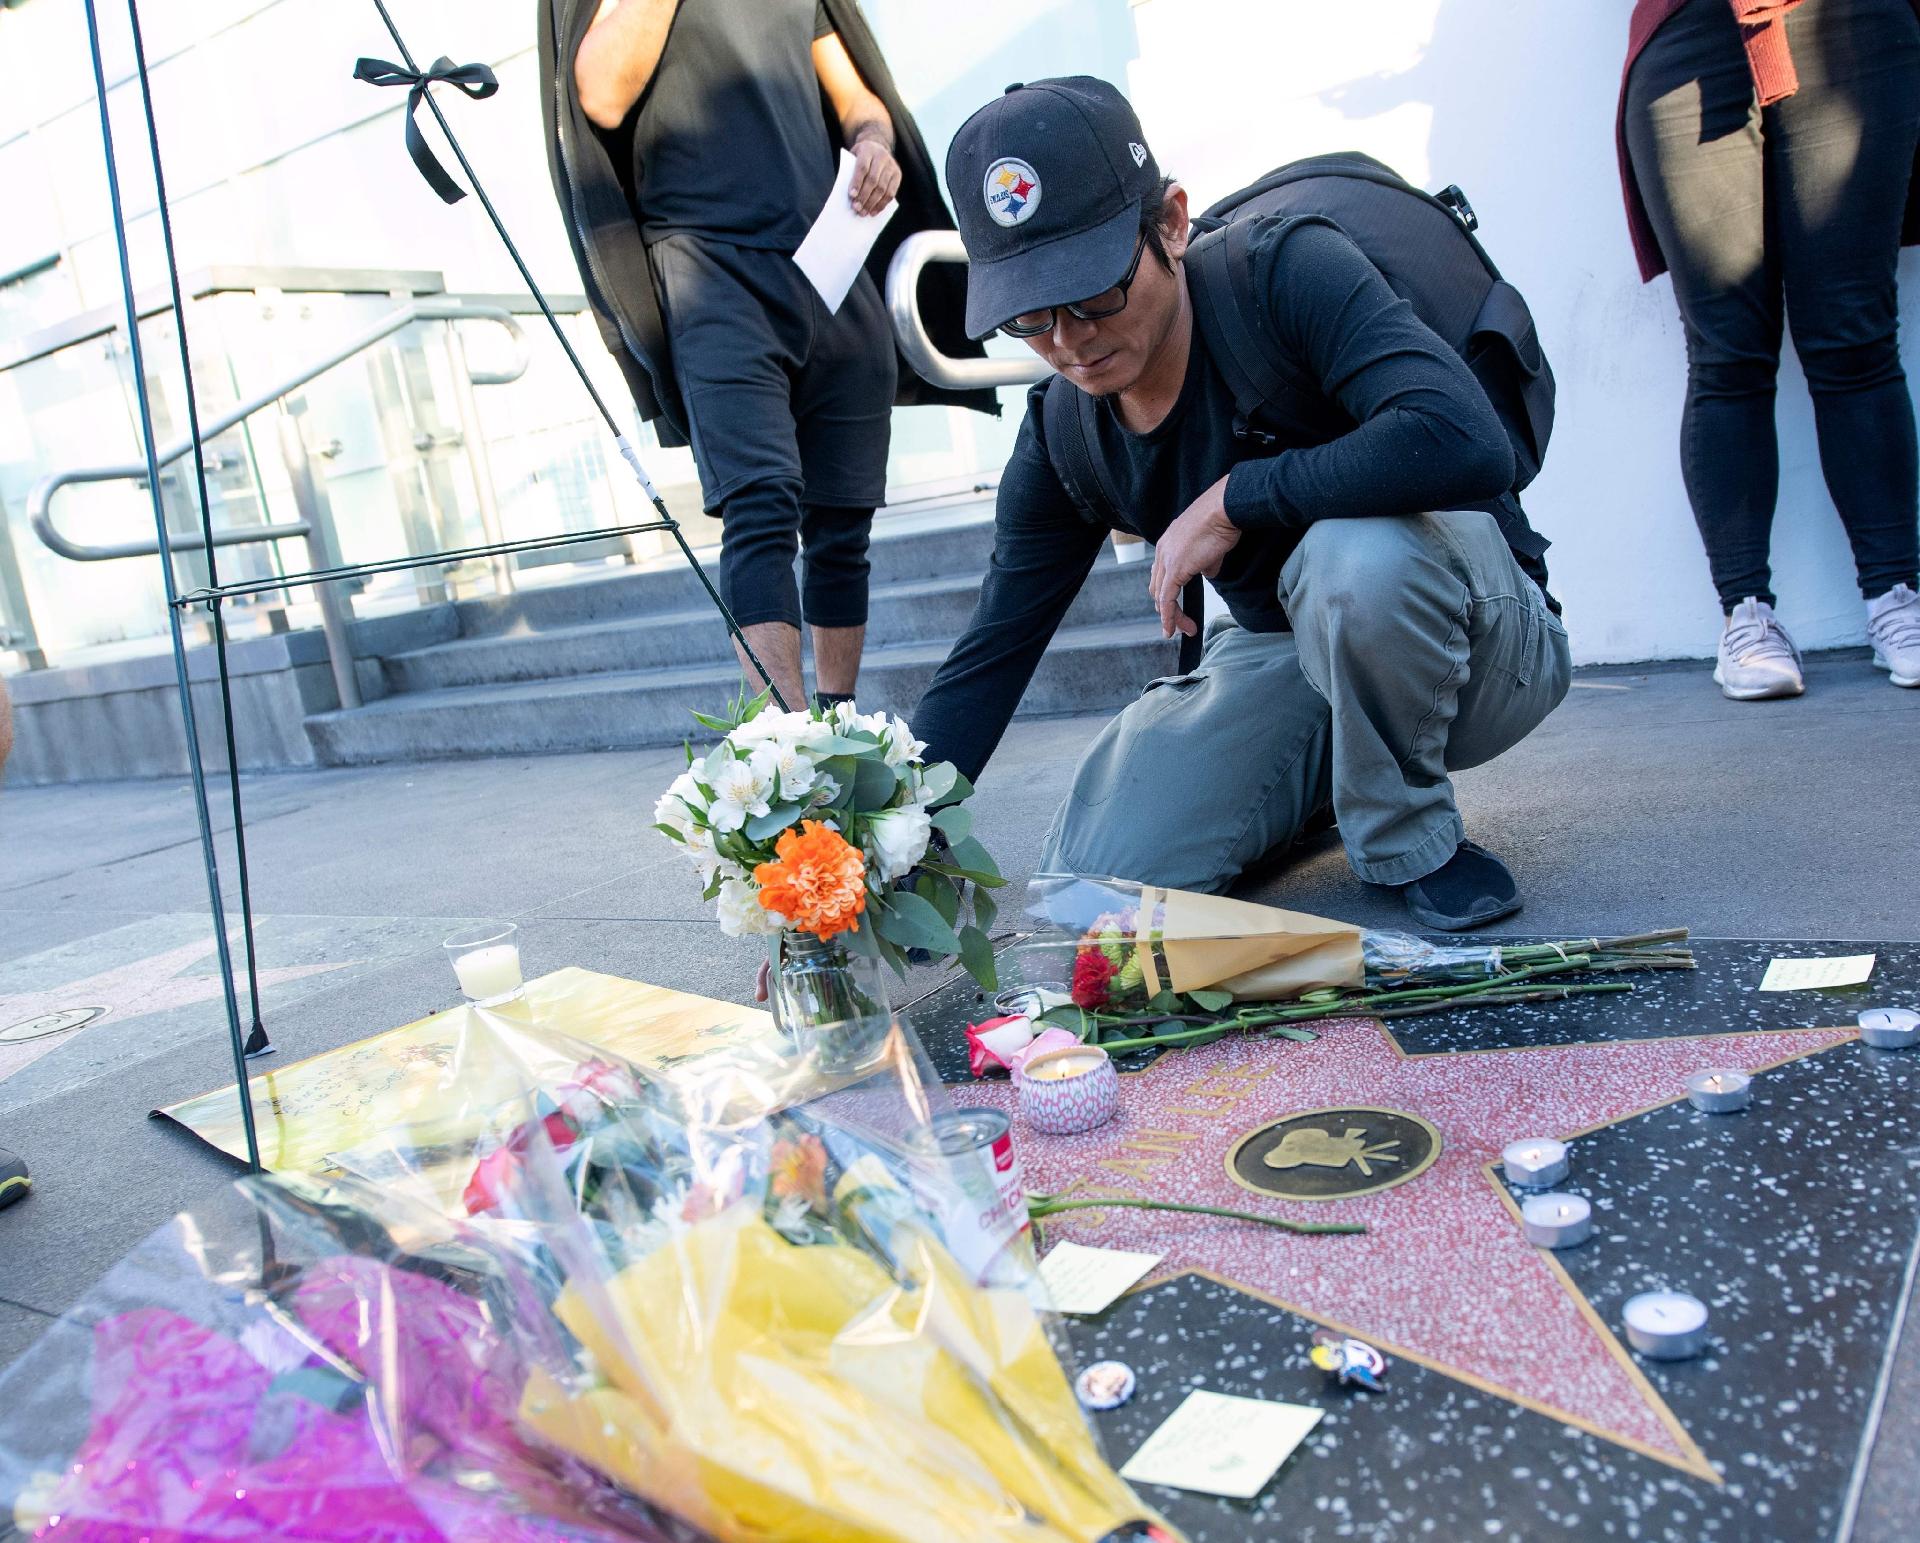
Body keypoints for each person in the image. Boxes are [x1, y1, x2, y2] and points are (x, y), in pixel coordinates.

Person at [909, 79, 1571, 931]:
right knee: (1100, 884)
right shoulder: (1066, 431)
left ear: (1171, 223)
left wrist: (1236, 499)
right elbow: (995, 646)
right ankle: (1326, 781)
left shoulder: (1284, 273)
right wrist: (886, 836)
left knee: (1353, 562)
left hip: (1478, 638)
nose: (1069, 340)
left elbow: (1464, 438)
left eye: (1093, 291)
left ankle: (1409, 835)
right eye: (1029, 316)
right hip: (1293, 653)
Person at [540, 0, 992, 713]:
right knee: (759, 506)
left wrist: (873, 144)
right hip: (710, 268)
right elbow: (599, 92)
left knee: (843, 519)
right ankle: (784, 752)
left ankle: (838, 731)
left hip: (829, 257)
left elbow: (857, 99)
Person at [1619, 0, 1920, 699]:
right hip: (1693, 32)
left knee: (1856, 339)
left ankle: (1897, 599)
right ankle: (1746, 616)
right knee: (1727, 353)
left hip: (1855, 24)